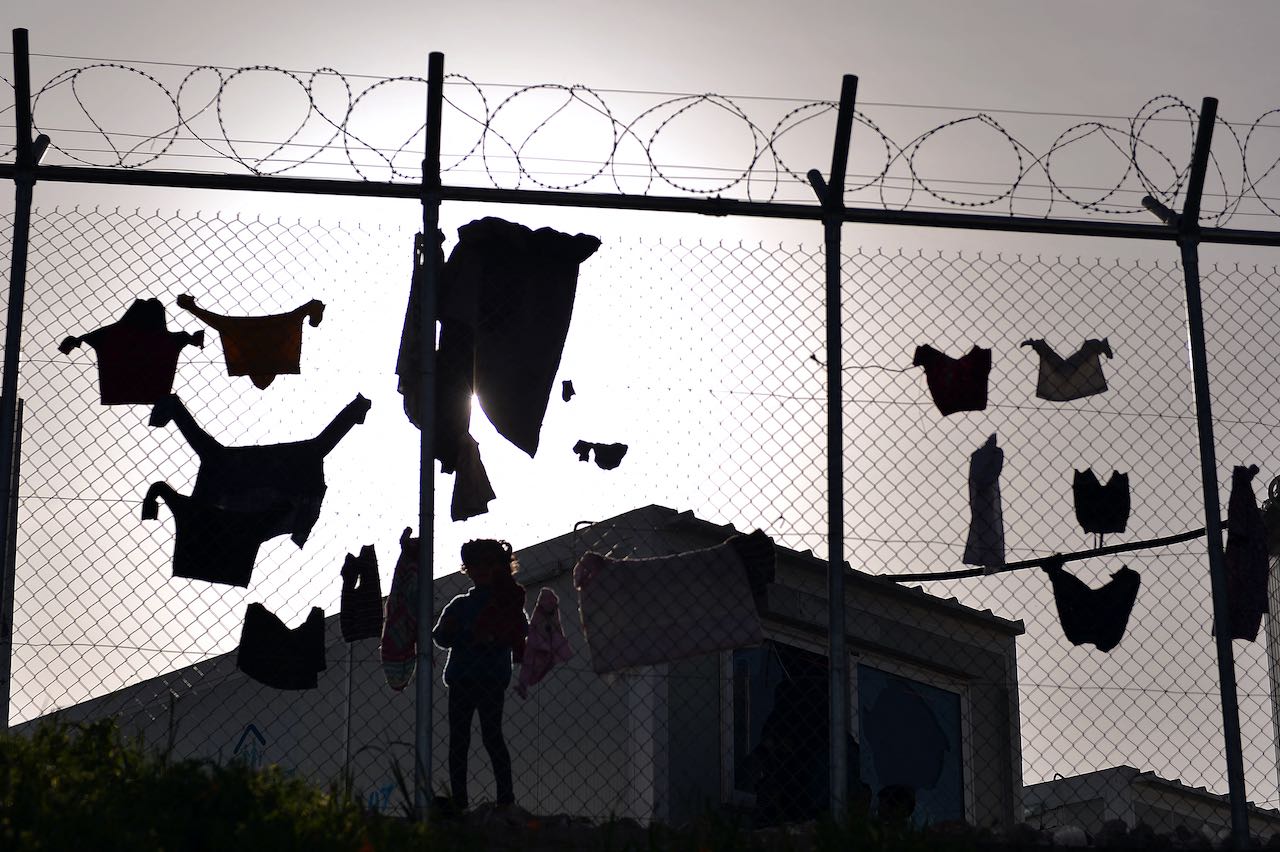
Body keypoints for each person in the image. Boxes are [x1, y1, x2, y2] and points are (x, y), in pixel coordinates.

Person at [432, 539, 528, 810]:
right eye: (477, 564)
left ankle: (504, 798)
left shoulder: (506, 602)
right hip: (465, 679)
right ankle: (463, 799)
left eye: (489, 564)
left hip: (489, 679)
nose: (483, 570)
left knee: (489, 735)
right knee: (461, 739)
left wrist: (486, 635)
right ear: (469, 569)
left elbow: (519, 629)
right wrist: (458, 631)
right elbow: (440, 636)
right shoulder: (461, 604)